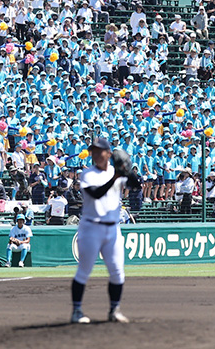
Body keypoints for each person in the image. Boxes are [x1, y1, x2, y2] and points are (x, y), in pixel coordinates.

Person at [70, 137, 138, 324]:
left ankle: (114, 310)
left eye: (100, 151)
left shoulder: (116, 172)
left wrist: (127, 171)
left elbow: (136, 186)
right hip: (91, 227)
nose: (96, 154)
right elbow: (96, 194)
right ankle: (76, 311)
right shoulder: (88, 174)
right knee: (84, 271)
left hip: (113, 229)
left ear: (109, 154)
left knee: (117, 272)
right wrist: (116, 177)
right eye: (94, 151)